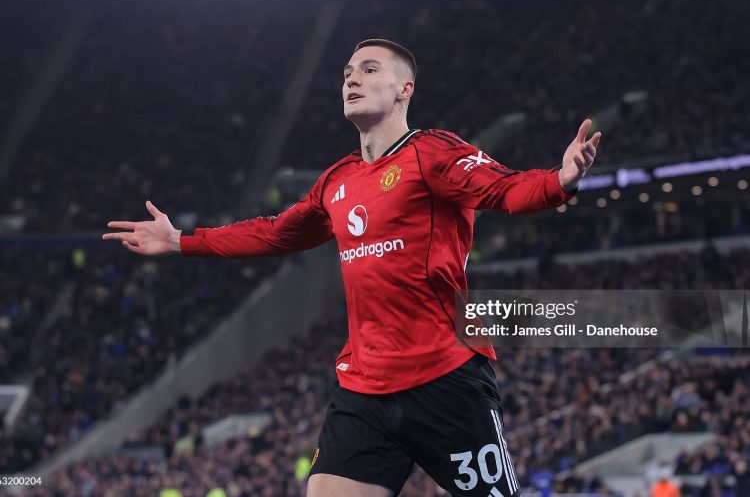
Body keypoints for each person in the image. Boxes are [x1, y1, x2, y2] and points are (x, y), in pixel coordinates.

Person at [103, 39, 601, 497]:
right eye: (347, 73)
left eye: (368, 69)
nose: (351, 80)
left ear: (404, 88)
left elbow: (506, 189)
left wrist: (562, 178)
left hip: (444, 379)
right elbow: (276, 232)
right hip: (364, 388)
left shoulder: (433, 153)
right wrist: (181, 241)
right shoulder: (337, 180)